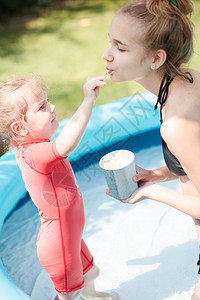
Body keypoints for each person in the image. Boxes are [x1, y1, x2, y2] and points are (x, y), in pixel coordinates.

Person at [103, 0, 200, 299]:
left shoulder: (175, 125)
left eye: (120, 47)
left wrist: (147, 192)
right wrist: (157, 175)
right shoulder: (192, 79)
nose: (106, 55)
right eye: (110, 42)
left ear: (156, 57)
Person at [0, 75, 120, 300]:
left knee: (90, 272)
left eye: (48, 101)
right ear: (20, 128)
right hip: (59, 241)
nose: (53, 107)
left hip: (70, 235)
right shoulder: (33, 154)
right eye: (42, 106)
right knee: (68, 293)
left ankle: (92, 296)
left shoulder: (35, 145)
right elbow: (67, 143)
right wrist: (88, 101)